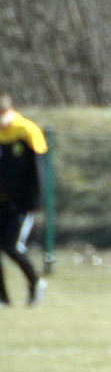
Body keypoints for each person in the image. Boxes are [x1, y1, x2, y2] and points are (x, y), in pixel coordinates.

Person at [0, 92, 47, 307]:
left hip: (21, 202)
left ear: (9, 112)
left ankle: (36, 282)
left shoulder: (27, 130)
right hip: (2, 201)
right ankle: (3, 298)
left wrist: (34, 201)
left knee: (12, 246)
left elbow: (38, 170)